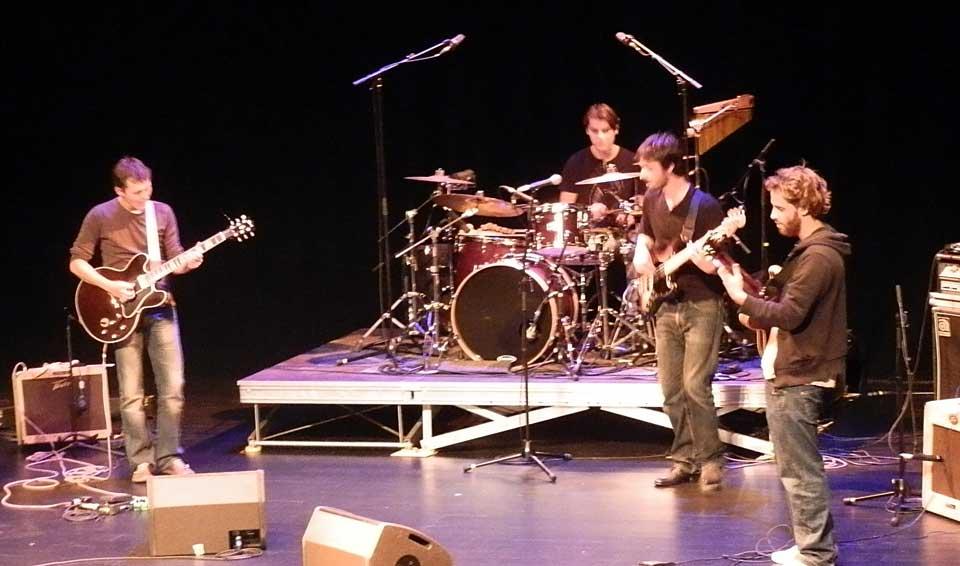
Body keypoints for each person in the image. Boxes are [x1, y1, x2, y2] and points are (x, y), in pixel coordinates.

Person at [716, 165, 848, 566]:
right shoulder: (808, 252)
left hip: (802, 375)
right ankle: (811, 544)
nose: (772, 216)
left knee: (800, 471)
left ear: (803, 207)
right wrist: (756, 306)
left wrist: (741, 297)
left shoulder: (819, 257)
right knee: (794, 468)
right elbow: (783, 308)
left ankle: (816, 552)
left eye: (778, 208)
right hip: (792, 370)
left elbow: (790, 315)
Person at [69, 156, 203, 483]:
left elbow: (175, 256)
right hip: (120, 308)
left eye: (148, 189)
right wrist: (109, 285)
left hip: (161, 305)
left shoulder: (162, 212)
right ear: (120, 190)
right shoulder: (100, 215)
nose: (145, 196)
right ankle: (141, 461)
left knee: (173, 386)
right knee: (131, 392)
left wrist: (188, 262)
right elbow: (77, 262)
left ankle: (169, 457)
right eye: (137, 192)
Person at [631, 131, 727, 491]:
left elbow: (717, 265)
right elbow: (646, 237)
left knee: (695, 386)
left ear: (670, 166)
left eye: (648, 168)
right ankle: (684, 459)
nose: (642, 175)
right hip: (664, 304)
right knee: (671, 390)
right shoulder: (651, 199)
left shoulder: (706, 206)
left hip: (702, 303)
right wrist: (640, 252)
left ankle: (711, 459)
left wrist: (703, 260)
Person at [558, 103, 641, 227]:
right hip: (587, 234)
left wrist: (632, 215)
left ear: (616, 129)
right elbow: (565, 210)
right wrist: (588, 211)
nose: (600, 136)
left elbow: (645, 204)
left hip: (626, 234)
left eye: (605, 130)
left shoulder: (633, 161)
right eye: (594, 131)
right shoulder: (576, 162)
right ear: (587, 131)